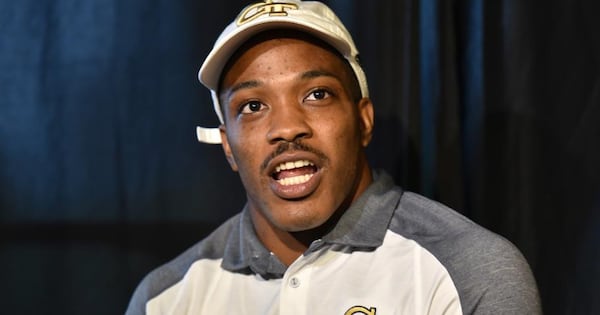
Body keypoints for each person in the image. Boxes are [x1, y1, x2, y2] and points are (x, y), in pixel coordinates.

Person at [126, 1, 541, 314]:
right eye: (252, 106)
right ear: (228, 146)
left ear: (363, 121)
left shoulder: (469, 269)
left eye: (317, 94)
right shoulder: (165, 299)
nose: (287, 127)